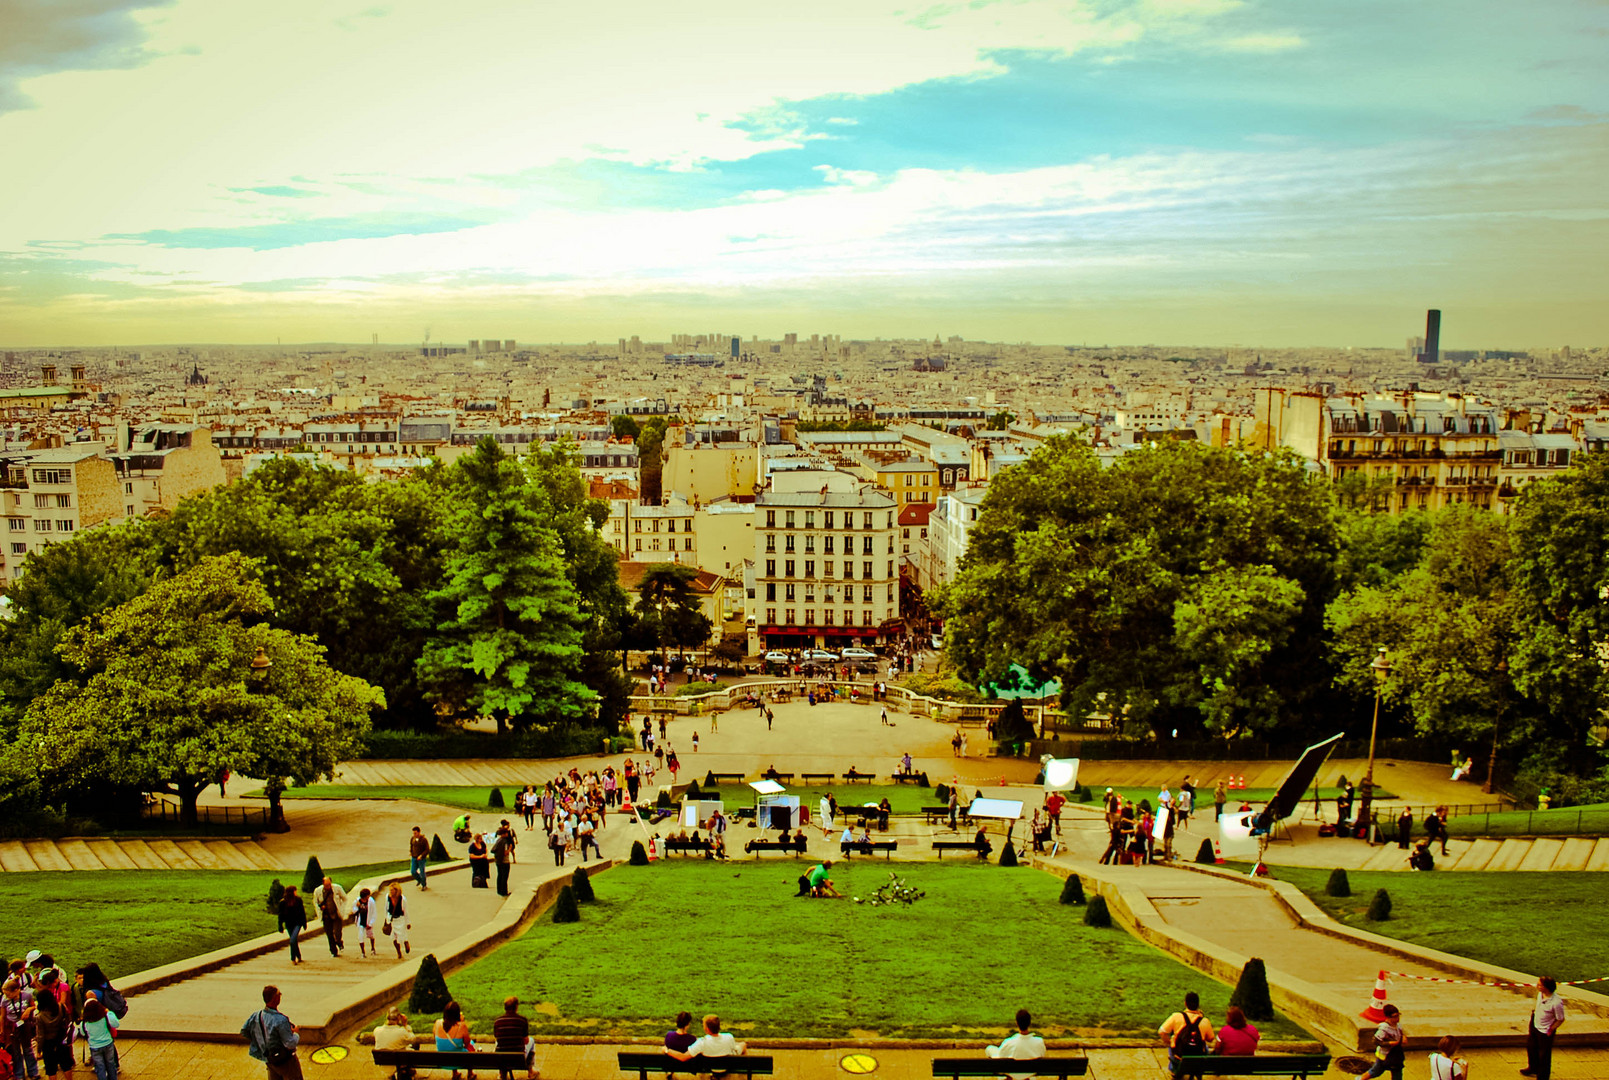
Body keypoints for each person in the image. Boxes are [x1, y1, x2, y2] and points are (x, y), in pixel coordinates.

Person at [242, 985, 298, 1080]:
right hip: (285, 1061)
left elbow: (245, 1031)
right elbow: (290, 1044)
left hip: (269, 1059)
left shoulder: (256, 1016)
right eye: (279, 994)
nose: (280, 995)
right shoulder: (281, 1020)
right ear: (275, 998)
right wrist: (295, 1033)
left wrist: (260, 1042)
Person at [1158, 991, 1214, 1077]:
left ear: (1185, 1003)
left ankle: (1174, 1069)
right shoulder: (1205, 1021)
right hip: (1197, 1057)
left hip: (1179, 1055)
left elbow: (1161, 1031)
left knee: (1174, 1042)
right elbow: (1210, 1038)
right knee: (1204, 1046)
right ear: (1198, 1005)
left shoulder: (1176, 1016)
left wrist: (1170, 1042)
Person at [985, 1008, 1046, 1080]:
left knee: (989, 1049)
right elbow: (1042, 1055)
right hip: (1029, 1073)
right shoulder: (1039, 1042)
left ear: (1017, 1023)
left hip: (1012, 1073)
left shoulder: (1009, 1042)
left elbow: (1001, 1057)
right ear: (1029, 1023)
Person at [1523, 976, 1564, 1079]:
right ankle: (1533, 1067)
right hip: (1535, 1024)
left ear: (1546, 987)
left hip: (1545, 1030)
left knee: (1544, 1055)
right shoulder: (1540, 994)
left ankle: (1543, 1076)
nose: (1537, 986)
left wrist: (1551, 1029)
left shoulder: (1556, 1003)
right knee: (1531, 1047)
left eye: (1540, 985)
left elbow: (1560, 1019)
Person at [665, 1014, 747, 1065]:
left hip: (710, 1066)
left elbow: (683, 1057)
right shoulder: (729, 1037)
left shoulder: (702, 1042)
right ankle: (745, 1067)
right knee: (743, 1044)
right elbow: (733, 1048)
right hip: (728, 1065)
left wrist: (667, 1050)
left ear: (707, 1029)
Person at [33, 981, 72, 1079]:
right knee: (66, 1065)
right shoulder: (61, 1007)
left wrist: (39, 1050)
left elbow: (40, 1035)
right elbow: (68, 1020)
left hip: (48, 1044)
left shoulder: (40, 1016)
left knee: (51, 1069)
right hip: (62, 1039)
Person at [491, 996, 538, 1079]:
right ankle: (530, 1071)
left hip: (502, 1057)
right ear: (516, 1007)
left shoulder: (497, 1021)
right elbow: (526, 1041)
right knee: (531, 1040)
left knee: (498, 1043)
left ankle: (502, 1073)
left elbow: (497, 1037)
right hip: (518, 1057)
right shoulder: (522, 1020)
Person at [2, 977, 38, 1080]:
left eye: (8, 994)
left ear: (16, 990)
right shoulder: (4, 1000)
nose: (6, 996)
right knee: (15, 1051)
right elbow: (2, 1016)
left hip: (24, 1025)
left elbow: (33, 1006)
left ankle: (33, 1071)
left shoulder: (26, 995)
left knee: (28, 1049)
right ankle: (19, 1074)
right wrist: (2, 1030)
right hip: (11, 1026)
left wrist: (28, 1011)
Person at [433, 1001, 476, 1080]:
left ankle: (455, 1073)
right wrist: (461, 1022)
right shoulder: (461, 1026)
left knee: (450, 1047)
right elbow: (467, 1044)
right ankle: (470, 1073)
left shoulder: (437, 1023)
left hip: (442, 1061)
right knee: (471, 1046)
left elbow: (435, 1039)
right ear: (457, 1014)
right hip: (458, 1060)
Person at [81, 994, 120, 1080]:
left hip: (94, 1046)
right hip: (108, 1043)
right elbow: (116, 1024)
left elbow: (83, 1033)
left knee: (99, 1067)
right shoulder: (106, 1017)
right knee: (110, 1064)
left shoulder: (84, 1022)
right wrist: (109, 1012)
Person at [1365, 1004, 1405, 1080]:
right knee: (1375, 1072)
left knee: (1397, 1074)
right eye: (1395, 1016)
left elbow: (1401, 1034)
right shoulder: (1384, 1029)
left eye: (1398, 1015)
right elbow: (1375, 1041)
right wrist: (1390, 1043)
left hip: (1396, 1055)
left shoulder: (1398, 1026)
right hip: (1384, 1056)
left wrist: (1403, 1037)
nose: (1397, 1018)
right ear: (1388, 1017)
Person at [374, 1009, 416, 1079]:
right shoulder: (401, 1031)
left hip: (384, 1063)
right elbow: (413, 1038)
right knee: (415, 1045)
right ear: (398, 1018)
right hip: (399, 1064)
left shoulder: (377, 1030)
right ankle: (407, 1071)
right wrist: (405, 1024)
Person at [312, 876, 347, 957]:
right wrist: (320, 908)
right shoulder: (318, 891)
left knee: (337, 933)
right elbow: (315, 902)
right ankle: (333, 951)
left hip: (336, 914)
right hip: (326, 916)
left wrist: (341, 908)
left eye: (329, 884)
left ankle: (339, 942)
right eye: (326, 885)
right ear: (323, 884)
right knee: (329, 934)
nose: (328, 886)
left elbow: (345, 898)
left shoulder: (337, 888)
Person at [385, 882, 412, 959]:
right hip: (392, 919)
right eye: (390, 890)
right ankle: (399, 952)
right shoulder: (388, 897)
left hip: (400, 919)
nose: (391, 892)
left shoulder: (402, 899)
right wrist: (386, 919)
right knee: (394, 937)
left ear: (397, 891)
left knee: (402, 934)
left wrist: (408, 922)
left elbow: (405, 911)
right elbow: (386, 908)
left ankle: (406, 943)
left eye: (392, 890)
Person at [353, 886, 379, 958]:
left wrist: (370, 923)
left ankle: (373, 948)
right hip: (361, 922)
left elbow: (373, 912)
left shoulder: (371, 901)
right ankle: (363, 952)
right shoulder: (357, 901)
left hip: (368, 921)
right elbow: (354, 911)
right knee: (360, 937)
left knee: (371, 935)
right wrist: (358, 906)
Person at [492, 822, 514, 897]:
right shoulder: (505, 842)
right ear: (504, 834)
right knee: (504, 877)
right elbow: (505, 853)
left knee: (499, 875)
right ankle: (504, 891)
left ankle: (499, 890)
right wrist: (510, 848)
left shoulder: (498, 840)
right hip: (504, 861)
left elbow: (493, 850)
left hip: (498, 861)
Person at [408, 826, 431, 890]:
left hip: (421, 859)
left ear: (419, 832)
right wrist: (411, 852)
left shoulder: (423, 840)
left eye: (415, 833)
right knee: (413, 871)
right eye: (413, 833)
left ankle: (424, 885)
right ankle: (419, 880)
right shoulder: (412, 838)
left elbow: (427, 849)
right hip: (414, 858)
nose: (414, 834)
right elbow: (411, 846)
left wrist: (421, 855)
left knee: (422, 872)